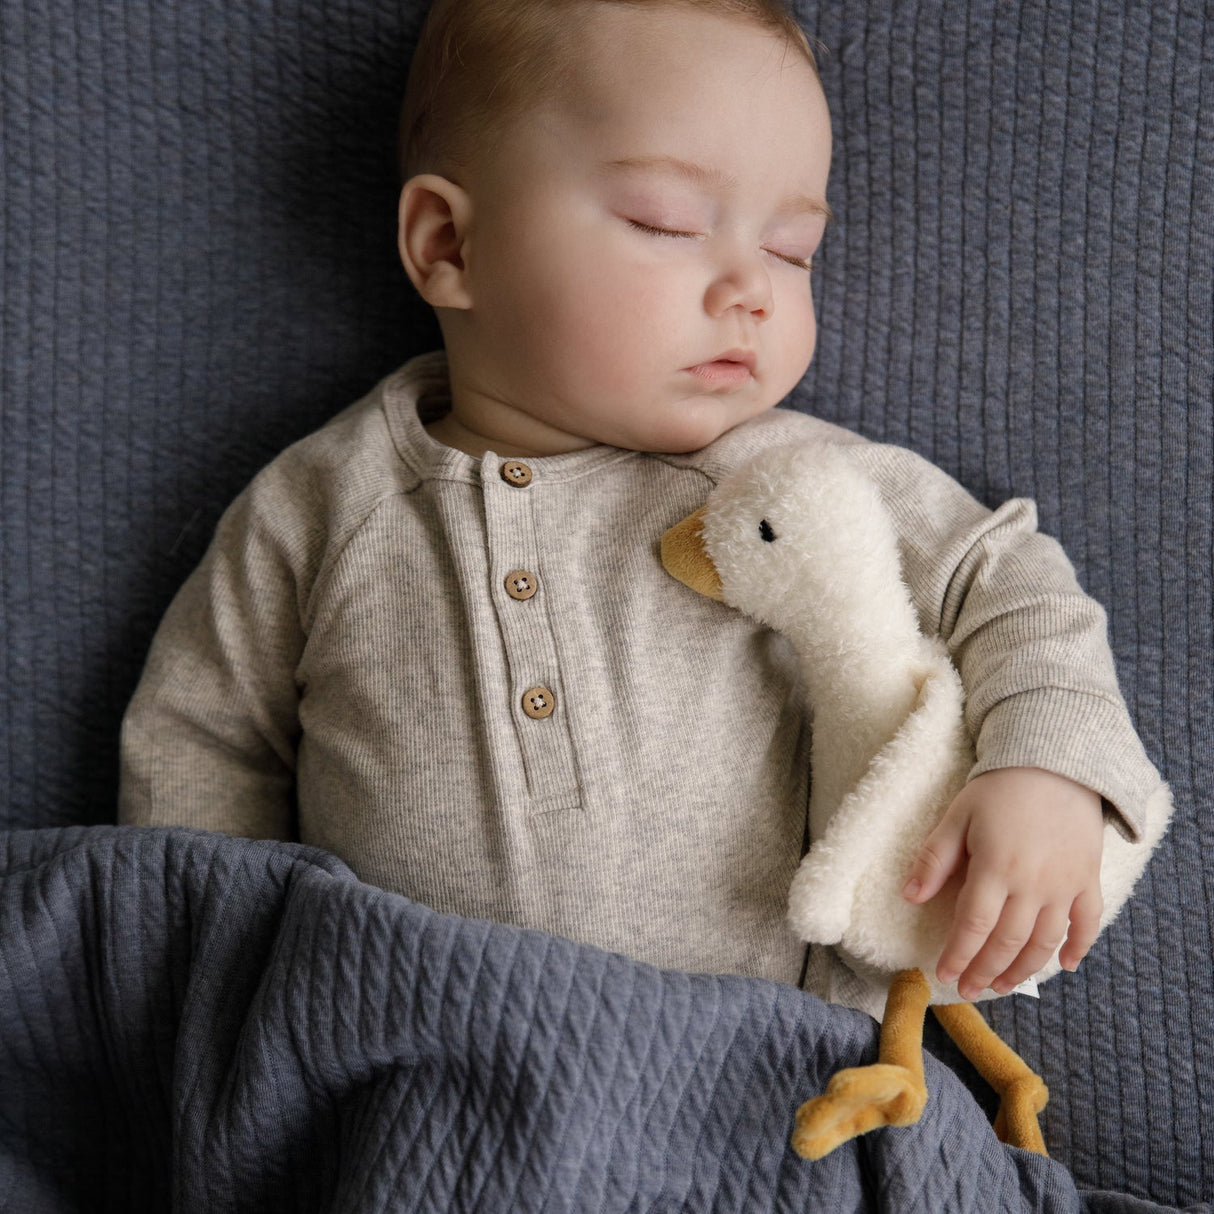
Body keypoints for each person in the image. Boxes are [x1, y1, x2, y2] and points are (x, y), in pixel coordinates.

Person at [119, 0, 1162, 1007]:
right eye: (664, 223)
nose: (750, 288)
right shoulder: (317, 505)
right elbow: (202, 742)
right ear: (446, 244)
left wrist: (1048, 767)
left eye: (792, 249)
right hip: (399, 1037)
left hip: (745, 1070)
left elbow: (1006, 578)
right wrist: (224, 983)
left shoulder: (791, 485)